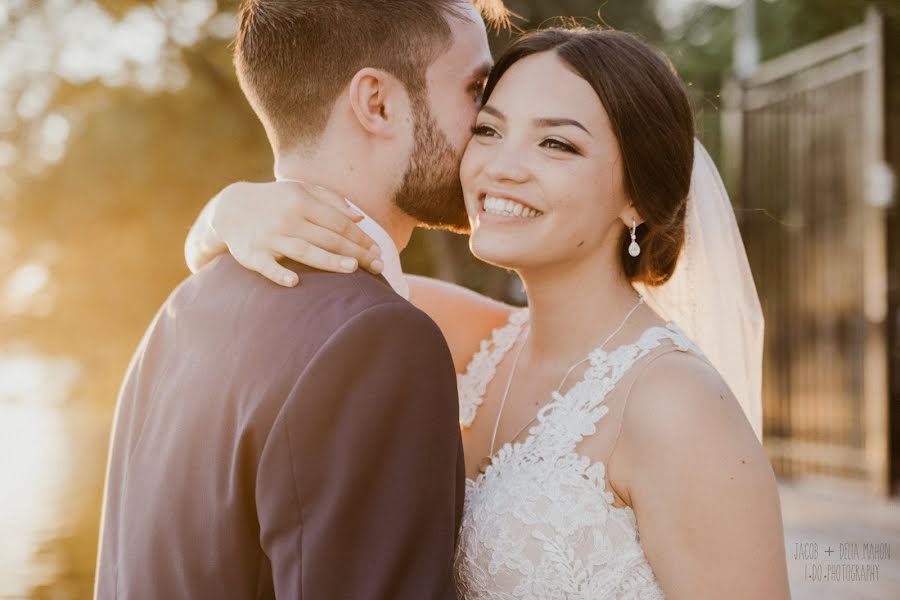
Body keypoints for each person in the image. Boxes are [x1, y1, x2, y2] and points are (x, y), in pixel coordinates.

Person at [186, 25, 792, 599]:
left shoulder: (676, 402)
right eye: (490, 130)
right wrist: (227, 209)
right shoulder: (459, 334)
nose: (501, 166)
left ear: (637, 196)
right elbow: (304, 267)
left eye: (557, 143)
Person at [94, 1, 506, 598]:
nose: (490, 124)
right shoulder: (379, 339)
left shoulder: (182, 310)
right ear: (378, 104)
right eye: (475, 89)